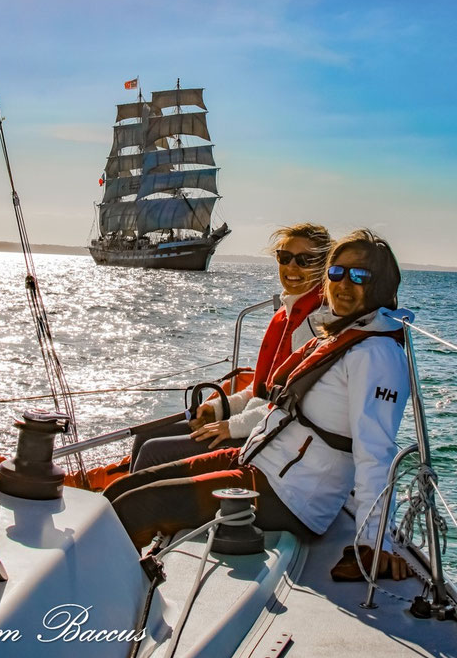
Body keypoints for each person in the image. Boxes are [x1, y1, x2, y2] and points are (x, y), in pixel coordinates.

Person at [104, 230, 412, 580]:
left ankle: (111, 603)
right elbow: (277, 403)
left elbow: (377, 453)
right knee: (119, 491)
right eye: (336, 273)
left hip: (289, 496)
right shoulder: (341, 336)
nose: (344, 283)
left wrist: (375, 542)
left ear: (381, 285)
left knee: (134, 508)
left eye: (359, 276)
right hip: (256, 462)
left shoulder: (377, 355)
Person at [131, 222, 331, 471]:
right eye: (285, 257)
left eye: (304, 260)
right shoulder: (288, 312)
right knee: (145, 437)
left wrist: (231, 426)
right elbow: (262, 391)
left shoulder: (318, 326)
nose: (291, 267)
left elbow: (291, 410)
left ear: (324, 266)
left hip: (272, 440)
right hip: (256, 424)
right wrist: (217, 409)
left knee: (154, 452)